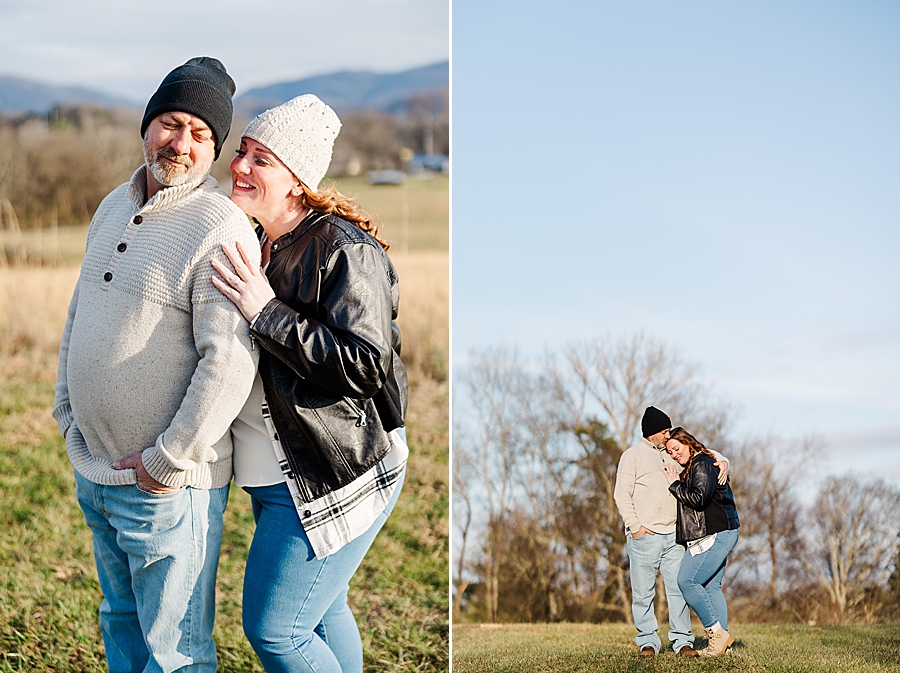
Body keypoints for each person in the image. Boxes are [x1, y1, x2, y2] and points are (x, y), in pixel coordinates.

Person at [52, 57, 259, 672]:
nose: (181, 144)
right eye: (170, 123)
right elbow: (78, 311)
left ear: (215, 150)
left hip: (167, 489)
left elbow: (228, 363)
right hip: (96, 468)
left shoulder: (219, 226)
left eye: (201, 135)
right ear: (147, 126)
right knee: (120, 623)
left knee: (176, 654)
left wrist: (168, 459)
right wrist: (68, 409)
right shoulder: (113, 204)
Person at [210, 94, 408, 673]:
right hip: (277, 474)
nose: (240, 166)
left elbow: (365, 363)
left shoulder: (344, 248)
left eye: (261, 159)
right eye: (242, 151)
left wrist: (265, 311)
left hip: (333, 472)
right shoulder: (258, 240)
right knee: (321, 614)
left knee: (275, 631)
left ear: (297, 180)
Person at [613, 406, 729, 657]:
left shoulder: (671, 451)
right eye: (664, 432)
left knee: (678, 591)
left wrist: (724, 461)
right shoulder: (631, 457)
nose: (668, 436)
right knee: (643, 594)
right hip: (645, 537)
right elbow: (621, 494)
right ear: (651, 432)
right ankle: (647, 642)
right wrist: (636, 527)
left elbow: (702, 452)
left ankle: (682, 641)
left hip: (675, 536)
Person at [662, 427, 740, 657]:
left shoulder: (702, 464)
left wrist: (675, 484)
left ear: (688, 443)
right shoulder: (698, 463)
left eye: (677, 448)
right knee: (710, 586)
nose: (674, 454)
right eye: (670, 452)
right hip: (720, 531)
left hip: (717, 532)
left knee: (686, 581)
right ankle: (721, 646)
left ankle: (716, 633)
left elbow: (699, 498)